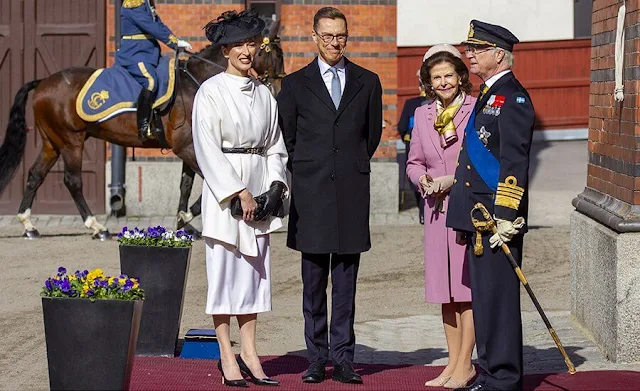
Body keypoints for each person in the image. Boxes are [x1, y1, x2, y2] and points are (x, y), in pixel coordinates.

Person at [277, 6, 382, 385]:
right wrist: (310, 169)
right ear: (314, 36)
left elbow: (370, 138)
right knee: (313, 283)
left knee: (347, 283)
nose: (335, 43)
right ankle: (316, 357)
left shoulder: (367, 82)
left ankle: (345, 359)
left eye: (341, 36)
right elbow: (288, 138)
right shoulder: (294, 84)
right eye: (327, 36)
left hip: (351, 194)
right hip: (312, 194)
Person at [192, 10, 288, 388]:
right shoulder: (210, 91)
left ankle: (250, 351)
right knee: (224, 275)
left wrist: (276, 187)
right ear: (225, 49)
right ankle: (226, 355)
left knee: (252, 276)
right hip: (226, 194)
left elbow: (275, 146)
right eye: (238, 45)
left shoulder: (264, 94)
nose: (246, 51)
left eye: (251, 44)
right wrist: (238, 192)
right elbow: (206, 147)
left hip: (260, 186)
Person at [446, 20, 535, 391]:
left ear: (498, 54)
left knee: (497, 299)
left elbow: (514, 161)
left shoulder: (513, 97)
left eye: (478, 49)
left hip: (496, 219)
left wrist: (506, 215)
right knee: (485, 299)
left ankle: (504, 378)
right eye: (469, 48)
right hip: (479, 214)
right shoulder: (488, 93)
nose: (470, 54)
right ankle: (492, 371)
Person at [406, 44, 477, 389]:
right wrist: (421, 179)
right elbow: (414, 161)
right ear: (429, 82)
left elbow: (481, 159)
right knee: (445, 292)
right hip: (435, 211)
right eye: (437, 77)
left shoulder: (475, 110)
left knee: (466, 290)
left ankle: (466, 365)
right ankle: (451, 363)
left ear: (461, 77)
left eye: (449, 74)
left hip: (466, 207)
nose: (444, 81)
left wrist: (454, 180)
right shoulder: (422, 115)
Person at [115, 0, 192, 142]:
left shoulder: (146, 2)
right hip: (135, 53)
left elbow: (158, 25)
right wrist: (174, 42)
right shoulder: (134, 3)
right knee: (150, 81)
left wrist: (176, 42)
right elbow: (150, 26)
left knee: (168, 75)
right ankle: (142, 126)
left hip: (150, 52)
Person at [398, 69, 428, 224]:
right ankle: (425, 211)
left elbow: (402, 126)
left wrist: (407, 140)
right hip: (431, 146)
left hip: (413, 145)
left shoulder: (411, 104)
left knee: (416, 179)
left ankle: (422, 211)